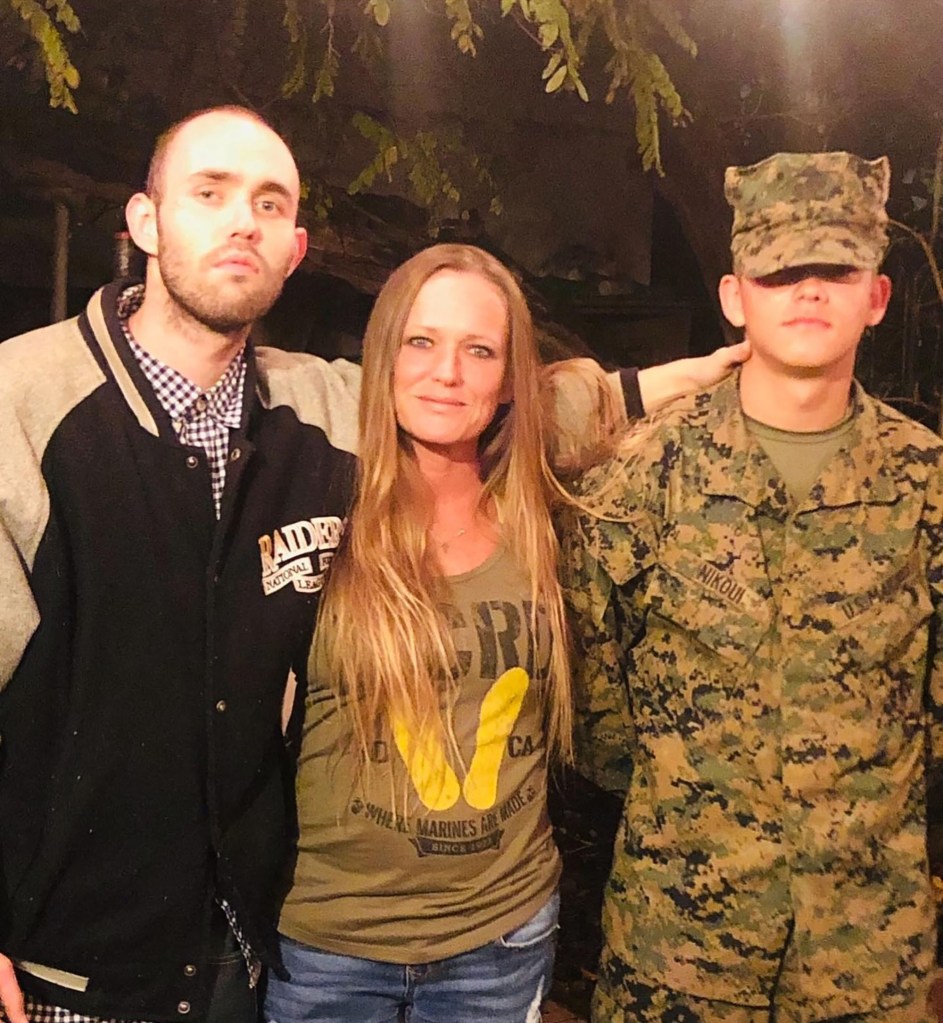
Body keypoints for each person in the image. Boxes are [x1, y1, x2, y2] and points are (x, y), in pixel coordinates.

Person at [0, 106, 747, 1023]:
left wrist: (671, 380)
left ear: (295, 247)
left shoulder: (308, 408)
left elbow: (497, 402)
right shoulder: (26, 405)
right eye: (210, 192)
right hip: (76, 954)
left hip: (237, 941)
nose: (241, 220)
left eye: (268, 203)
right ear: (146, 222)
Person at [262, 242, 745, 1023]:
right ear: (383, 352)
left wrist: (723, 367)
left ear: (506, 375)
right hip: (330, 946)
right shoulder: (317, 499)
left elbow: (577, 403)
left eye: (477, 349)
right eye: (421, 341)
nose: (446, 372)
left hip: (497, 944)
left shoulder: (540, 504)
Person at [563, 150, 943, 1023]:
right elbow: (597, 720)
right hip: (680, 954)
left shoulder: (925, 486)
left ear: (875, 296)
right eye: (779, 271)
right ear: (735, 296)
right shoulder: (640, 476)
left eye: (835, 268)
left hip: (864, 962)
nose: (807, 291)